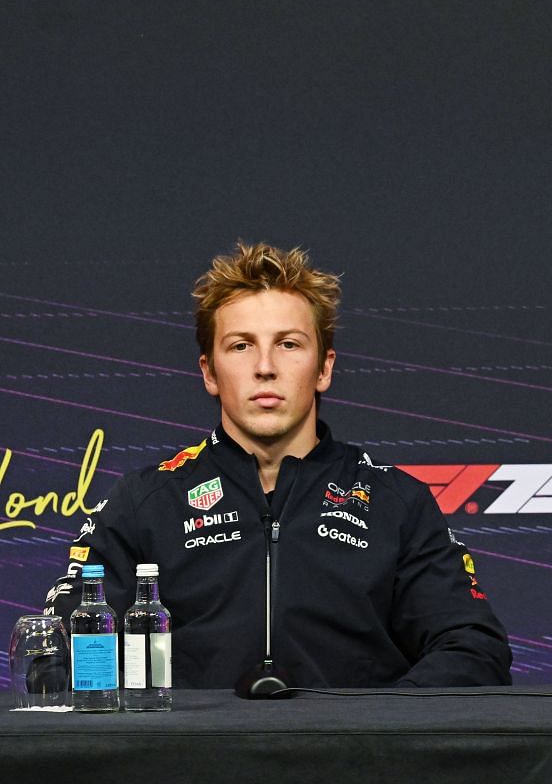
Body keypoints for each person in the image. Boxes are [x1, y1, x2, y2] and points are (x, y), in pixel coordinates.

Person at [45, 242, 512, 689]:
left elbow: (473, 649)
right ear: (209, 371)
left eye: (288, 344)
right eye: (241, 346)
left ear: (324, 368)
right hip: (189, 768)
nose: (265, 366)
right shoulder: (144, 503)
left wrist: (375, 730)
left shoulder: (397, 503)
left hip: (354, 766)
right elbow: (61, 653)